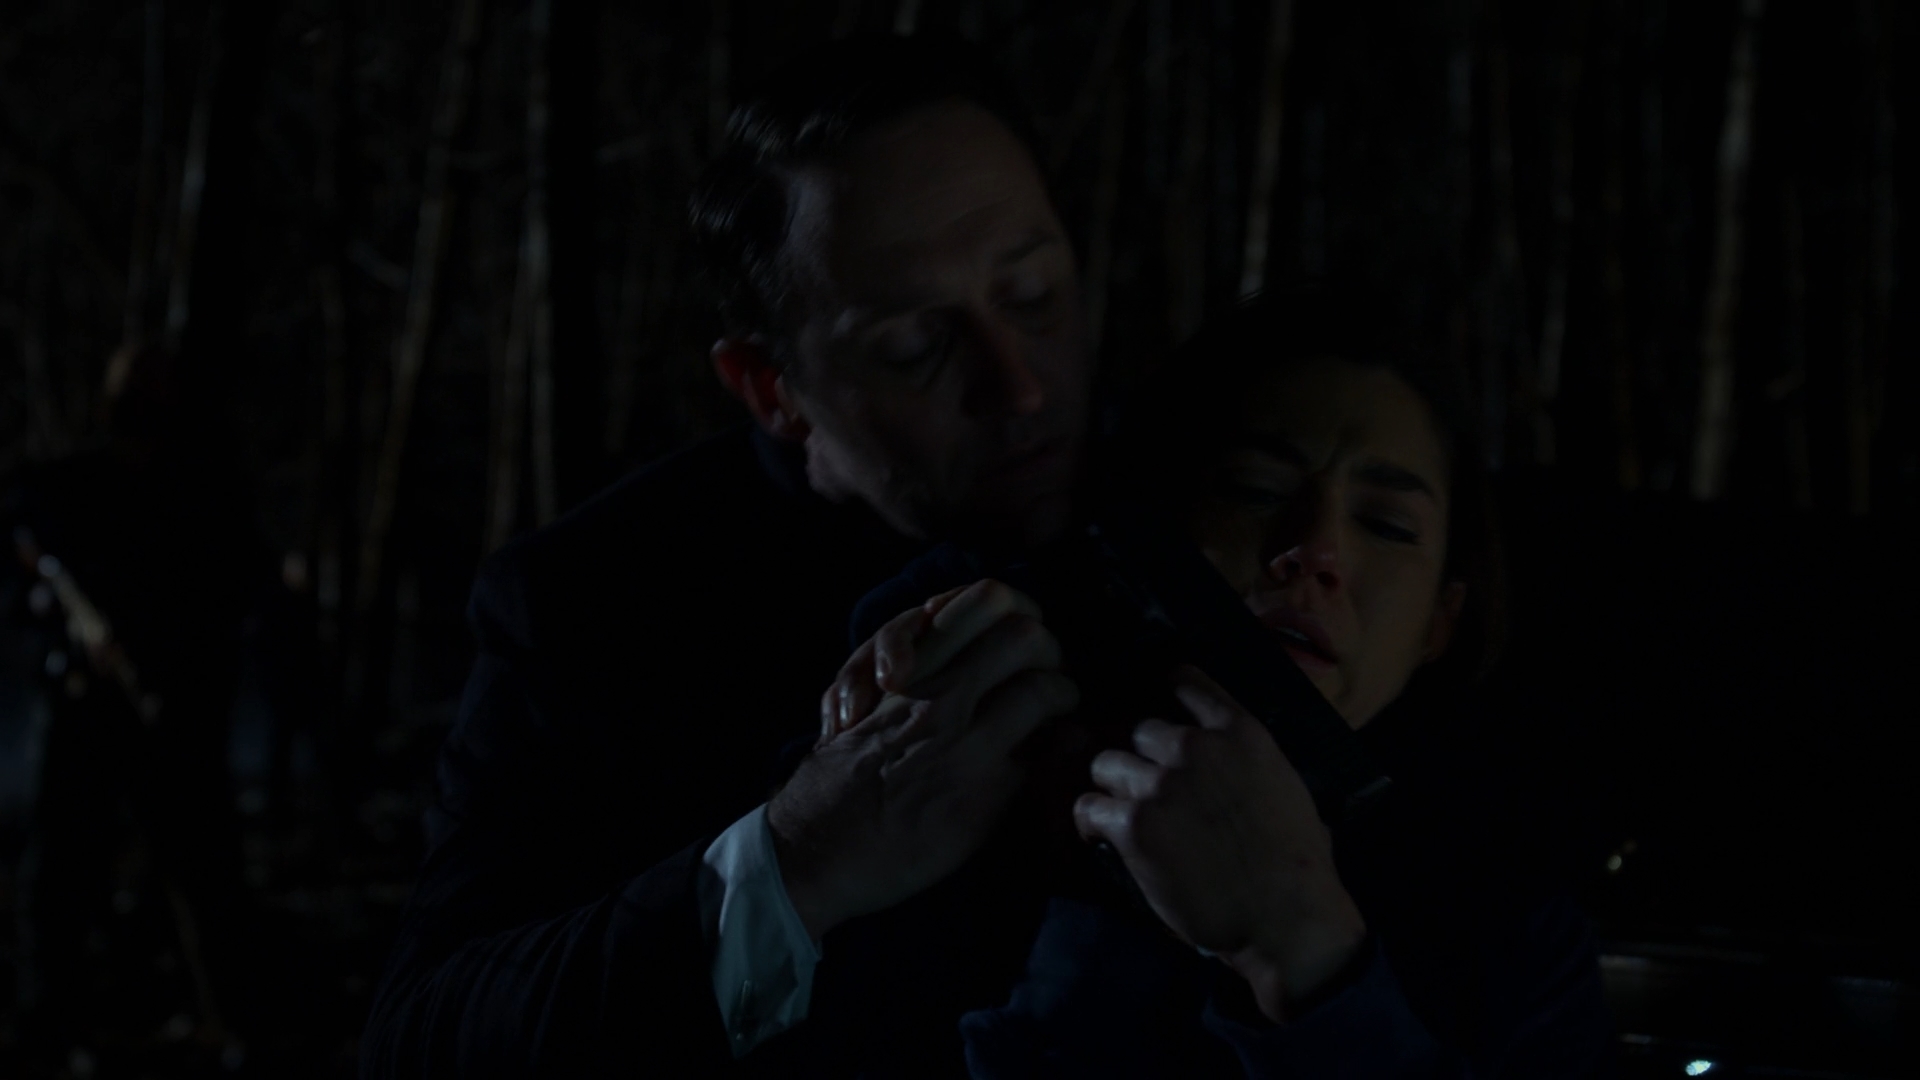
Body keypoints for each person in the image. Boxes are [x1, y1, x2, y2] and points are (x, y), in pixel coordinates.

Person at [362, 35, 1096, 1076]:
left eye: (1033, 293)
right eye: (911, 348)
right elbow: (423, 1044)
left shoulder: (1219, 496)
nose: (1019, 386)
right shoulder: (595, 610)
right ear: (771, 391)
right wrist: (798, 860)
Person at [831, 289, 1612, 1075]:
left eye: (1387, 526)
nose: (1316, 551)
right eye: (1256, 490)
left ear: (1441, 620)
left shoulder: (1516, 936)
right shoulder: (955, 772)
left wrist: (1305, 947)